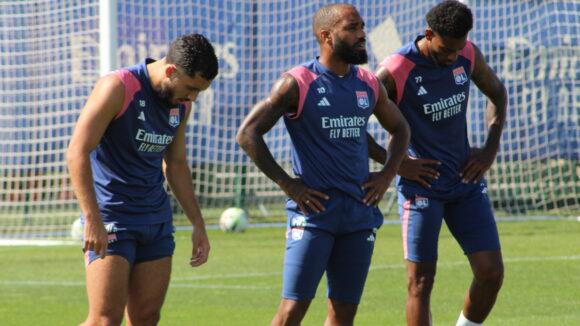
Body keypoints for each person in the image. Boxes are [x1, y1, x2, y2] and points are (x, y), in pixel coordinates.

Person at [237, 4, 410, 326]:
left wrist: (387, 175)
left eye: (362, 27)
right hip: (314, 215)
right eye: (353, 28)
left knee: (344, 313)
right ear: (327, 36)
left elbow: (401, 129)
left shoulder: (368, 83)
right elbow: (248, 134)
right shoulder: (297, 83)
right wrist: (289, 185)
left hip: (359, 214)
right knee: (292, 310)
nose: (362, 35)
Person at [370, 1, 508, 326]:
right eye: (446, 49)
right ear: (429, 34)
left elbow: (497, 93)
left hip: (465, 182)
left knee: (491, 273)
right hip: (422, 188)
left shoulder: (467, 54)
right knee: (420, 283)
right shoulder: (395, 70)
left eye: (457, 50)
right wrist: (397, 165)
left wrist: (489, 150)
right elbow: (352, 120)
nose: (451, 57)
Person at [66, 34, 217, 326]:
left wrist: (198, 223)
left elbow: (175, 164)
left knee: (146, 318)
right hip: (112, 218)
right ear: (171, 71)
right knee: (105, 320)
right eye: (190, 88)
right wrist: (92, 219)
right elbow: (77, 152)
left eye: (200, 91)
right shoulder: (118, 87)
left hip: (156, 221)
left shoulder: (181, 104)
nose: (193, 98)